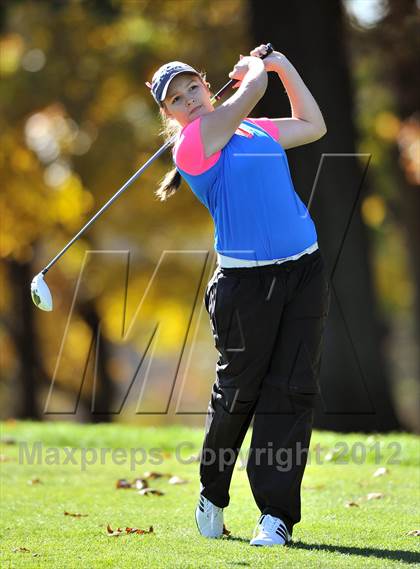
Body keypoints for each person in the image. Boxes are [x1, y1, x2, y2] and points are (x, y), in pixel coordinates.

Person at [147, 44, 330, 547]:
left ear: (207, 85)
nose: (189, 100)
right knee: (238, 397)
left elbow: (313, 126)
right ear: (169, 115)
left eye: (193, 88)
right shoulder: (192, 145)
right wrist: (255, 74)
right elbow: (248, 96)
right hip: (244, 287)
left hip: (304, 272)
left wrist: (281, 65)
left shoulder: (254, 128)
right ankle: (212, 490)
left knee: (291, 389)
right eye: (177, 100)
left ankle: (276, 516)